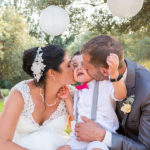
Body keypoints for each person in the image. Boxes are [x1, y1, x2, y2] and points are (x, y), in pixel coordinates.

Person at [75, 35, 150, 150]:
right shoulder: (101, 77)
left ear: (104, 71)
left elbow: (145, 147)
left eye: (87, 67)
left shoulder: (146, 91)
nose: (82, 68)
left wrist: (101, 135)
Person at [0, 45, 75, 150]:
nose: (74, 68)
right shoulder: (20, 94)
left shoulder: (70, 94)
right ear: (52, 73)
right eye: (68, 65)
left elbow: (82, 129)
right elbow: (2, 143)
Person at [60, 50, 126, 150]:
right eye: (75, 65)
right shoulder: (78, 92)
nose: (79, 68)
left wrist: (114, 74)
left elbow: (121, 95)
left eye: (84, 64)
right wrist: (68, 98)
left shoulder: (104, 84)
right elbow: (75, 116)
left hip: (100, 138)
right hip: (79, 138)